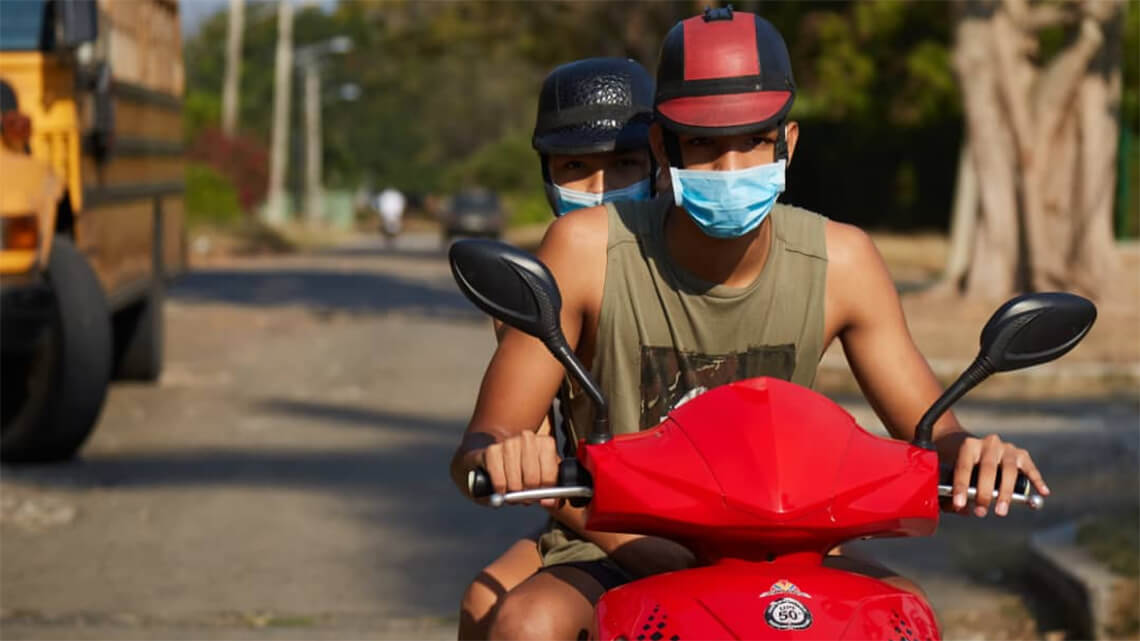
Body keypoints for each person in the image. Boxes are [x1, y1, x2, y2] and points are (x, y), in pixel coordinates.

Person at [451, 9, 1049, 640]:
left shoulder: (842, 261)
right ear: (663, 146)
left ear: (787, 142)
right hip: (613, 545)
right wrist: (510, 454)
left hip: (790, 551)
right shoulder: (584, 251)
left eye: (753, 140)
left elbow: (933, 430)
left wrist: (977, 455)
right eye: (703, 144)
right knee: (528, 622)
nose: (730, 169)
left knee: (904, 616)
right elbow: (482, 442)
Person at [457, 56, 655, 641]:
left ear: (663, 160)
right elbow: (517, 444)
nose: (601, 191)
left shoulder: (696, 258)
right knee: (485, 602)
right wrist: (513, 458)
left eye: (624, 165)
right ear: (546, 175)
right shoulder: (536, 295)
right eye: (575, 166)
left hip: (737, 529)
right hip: (597, 529)